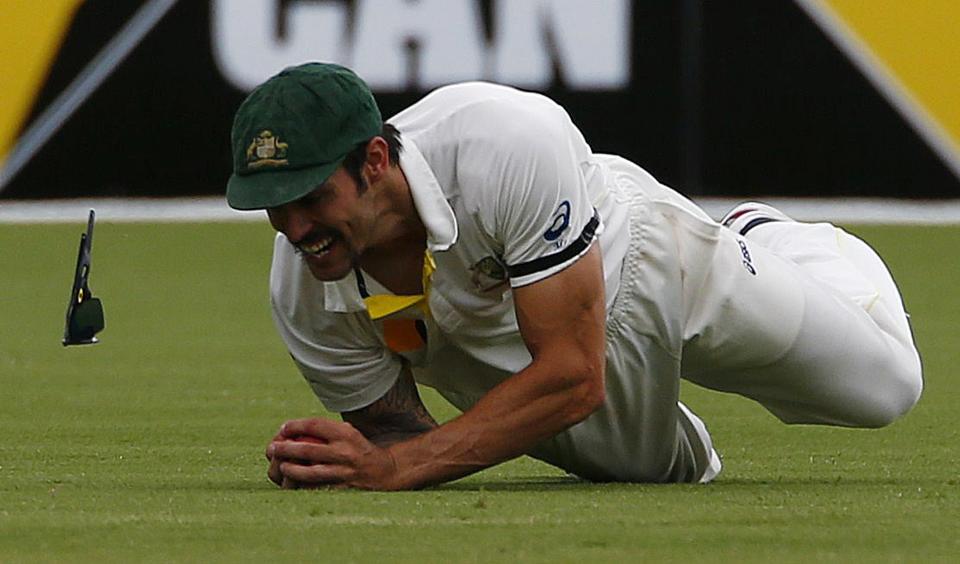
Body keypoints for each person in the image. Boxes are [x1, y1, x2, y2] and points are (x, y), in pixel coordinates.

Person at [226, 63, 923, 490]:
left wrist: (396, 472)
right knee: (666, 478)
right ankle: (661, 443)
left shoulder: (503, 140)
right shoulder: (300, 287)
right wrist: (347, 463)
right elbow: (399, 441)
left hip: (650, 264)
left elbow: (575, 374)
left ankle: (765, 236)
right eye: (273, 209)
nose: (293, 231)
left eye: (314, 197)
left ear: (374, 160)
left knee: (887, 386)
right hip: (513, 353)